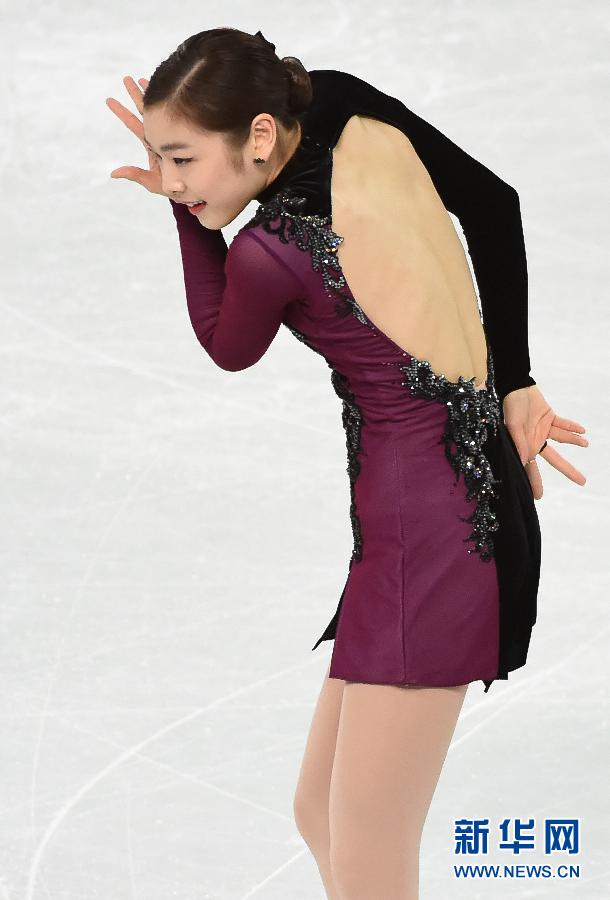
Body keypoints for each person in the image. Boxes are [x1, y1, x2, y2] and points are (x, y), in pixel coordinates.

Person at [106, 26, 588, 900]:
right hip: (432, 515)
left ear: (259, 134)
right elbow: (493, 202)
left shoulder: (271, 251)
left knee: (367, 845)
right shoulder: (336, 100)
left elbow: (226, 343)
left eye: (182, 160)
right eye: (163, 163)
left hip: (432, 540)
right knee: (321, 815)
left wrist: (187, 219)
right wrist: (514, 377)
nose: (171, 181)